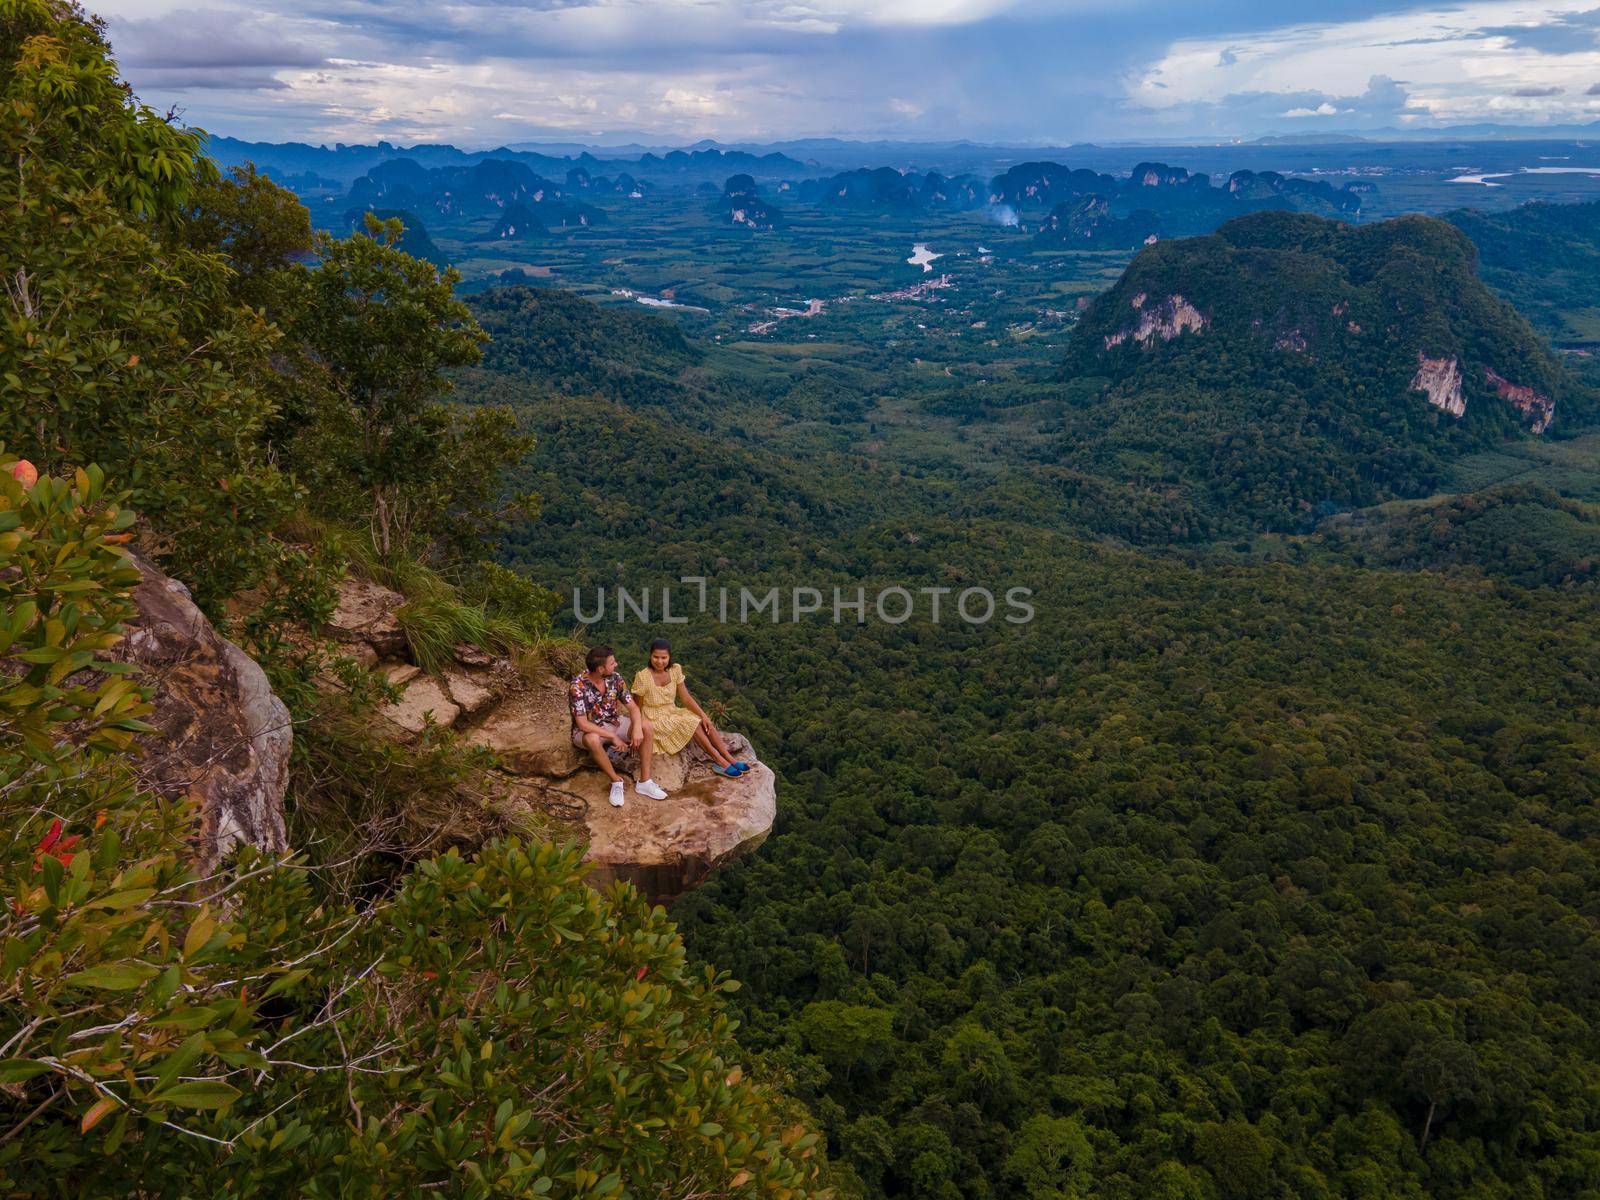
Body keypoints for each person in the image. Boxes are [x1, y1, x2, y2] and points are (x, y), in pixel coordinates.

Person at [631, 638, 752, 778]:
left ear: (669, 657)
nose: (659, 661)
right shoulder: (643, 677)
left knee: (704, 722)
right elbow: (636, 707)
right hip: (653, 719)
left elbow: (686, 698)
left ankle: (730, 759)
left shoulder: (675, 670)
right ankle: (719, 761)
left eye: (663, 657)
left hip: (671, 712)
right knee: (690, 723)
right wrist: (636, 728)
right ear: (650, 656)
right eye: (655, 657)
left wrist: (704, 716)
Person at [570, 644, 668, 807]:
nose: (616, 665)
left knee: (646, 727)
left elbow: (633, 708)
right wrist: (612, 737)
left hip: (614, 721)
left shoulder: (615, 678)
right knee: (593, 739)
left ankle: (645, 782)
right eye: (612, 663)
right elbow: (582, 723)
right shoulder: (577, 686)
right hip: (590, 729)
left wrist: (636, 728)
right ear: (601, 669)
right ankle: (616, 782)